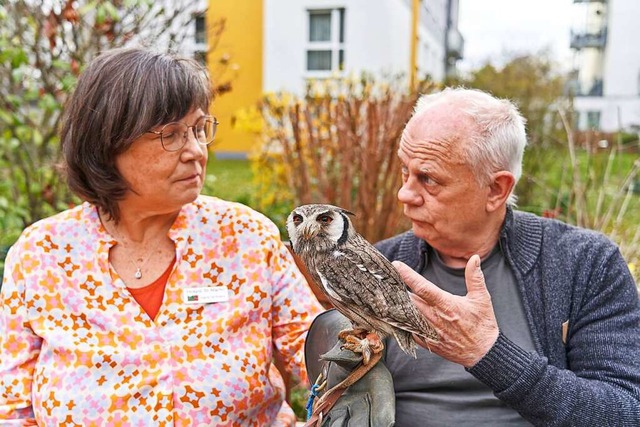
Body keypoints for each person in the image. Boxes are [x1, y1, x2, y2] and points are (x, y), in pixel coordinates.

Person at [0, 47, 322, 425]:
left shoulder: (245, 237)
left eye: (200, 129)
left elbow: (320, 358)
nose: (196, 151)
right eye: (171, 135)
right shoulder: (42, 254)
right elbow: (13, 409)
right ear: (108, 143)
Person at [309, 88, 640, 426]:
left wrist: (487, 352)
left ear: (497, 189)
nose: (404, 193)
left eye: (428, 179)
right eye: (405, 171)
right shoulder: (377, 265)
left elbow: (625, 412)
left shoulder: (584, 264)